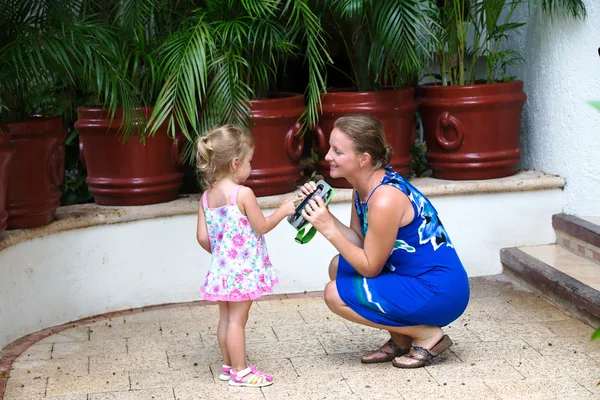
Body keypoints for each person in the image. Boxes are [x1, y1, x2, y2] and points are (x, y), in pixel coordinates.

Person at [299, 114, 470, 368]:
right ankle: (401, 338)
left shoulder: (384, 198)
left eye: (337, 151)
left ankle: (426, 334)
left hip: (438, 291)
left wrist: (328, 229)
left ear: (363, 159)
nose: (327, 157)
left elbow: (370, 267)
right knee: (338, 265)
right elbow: (359, 241)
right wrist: (324, 215)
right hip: (411, 280)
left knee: (335, 295)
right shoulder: (364, 188)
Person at [195, 125, 296, 387]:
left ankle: (228, 366)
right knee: (238, 321)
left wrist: (221, 255)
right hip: (242, 272)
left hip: (222, 271)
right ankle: (241, 372)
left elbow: (203, 238)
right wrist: (284, 210)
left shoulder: (206, 198)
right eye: (249, 161)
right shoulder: (243, 194)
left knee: (226, 319)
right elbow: (261, 226)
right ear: (235, 162)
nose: (250, 167)